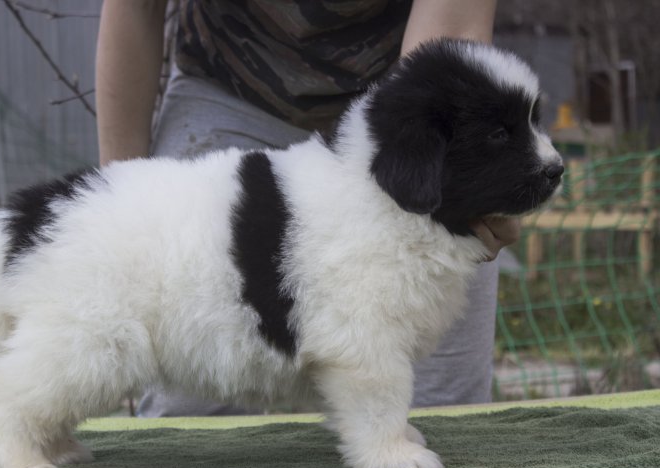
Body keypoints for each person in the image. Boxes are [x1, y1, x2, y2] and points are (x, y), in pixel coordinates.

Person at [95, 0, 520, 414]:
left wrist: (456, 177)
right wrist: (121, 196)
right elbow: (136, 7)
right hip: (233, 87)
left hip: (399, 116)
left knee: (445, 407)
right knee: (188, 400)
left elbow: (447, 47)